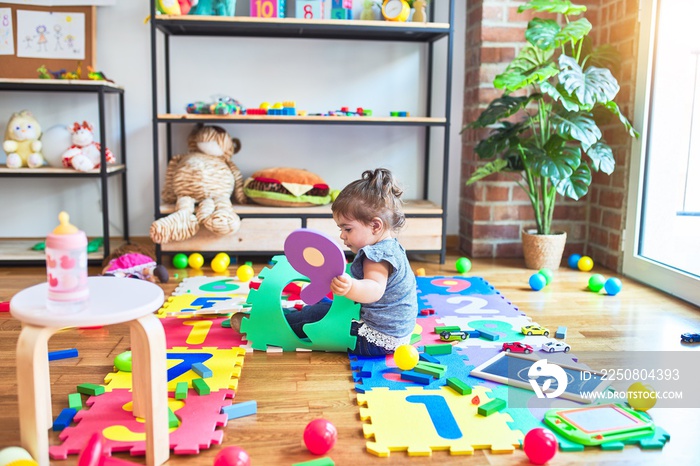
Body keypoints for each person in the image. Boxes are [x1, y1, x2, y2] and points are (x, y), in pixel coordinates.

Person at [284, 168, 417, 356]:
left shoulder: (376, 254)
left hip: (372, 338)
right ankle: (293, 314)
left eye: (347, 229)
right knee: (323, 304)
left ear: (375, 225)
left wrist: (350, 286)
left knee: (317, 316)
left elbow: (374, 289)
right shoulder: (391, 247)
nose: (342, 235)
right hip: (394, 335)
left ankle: (269, 322)